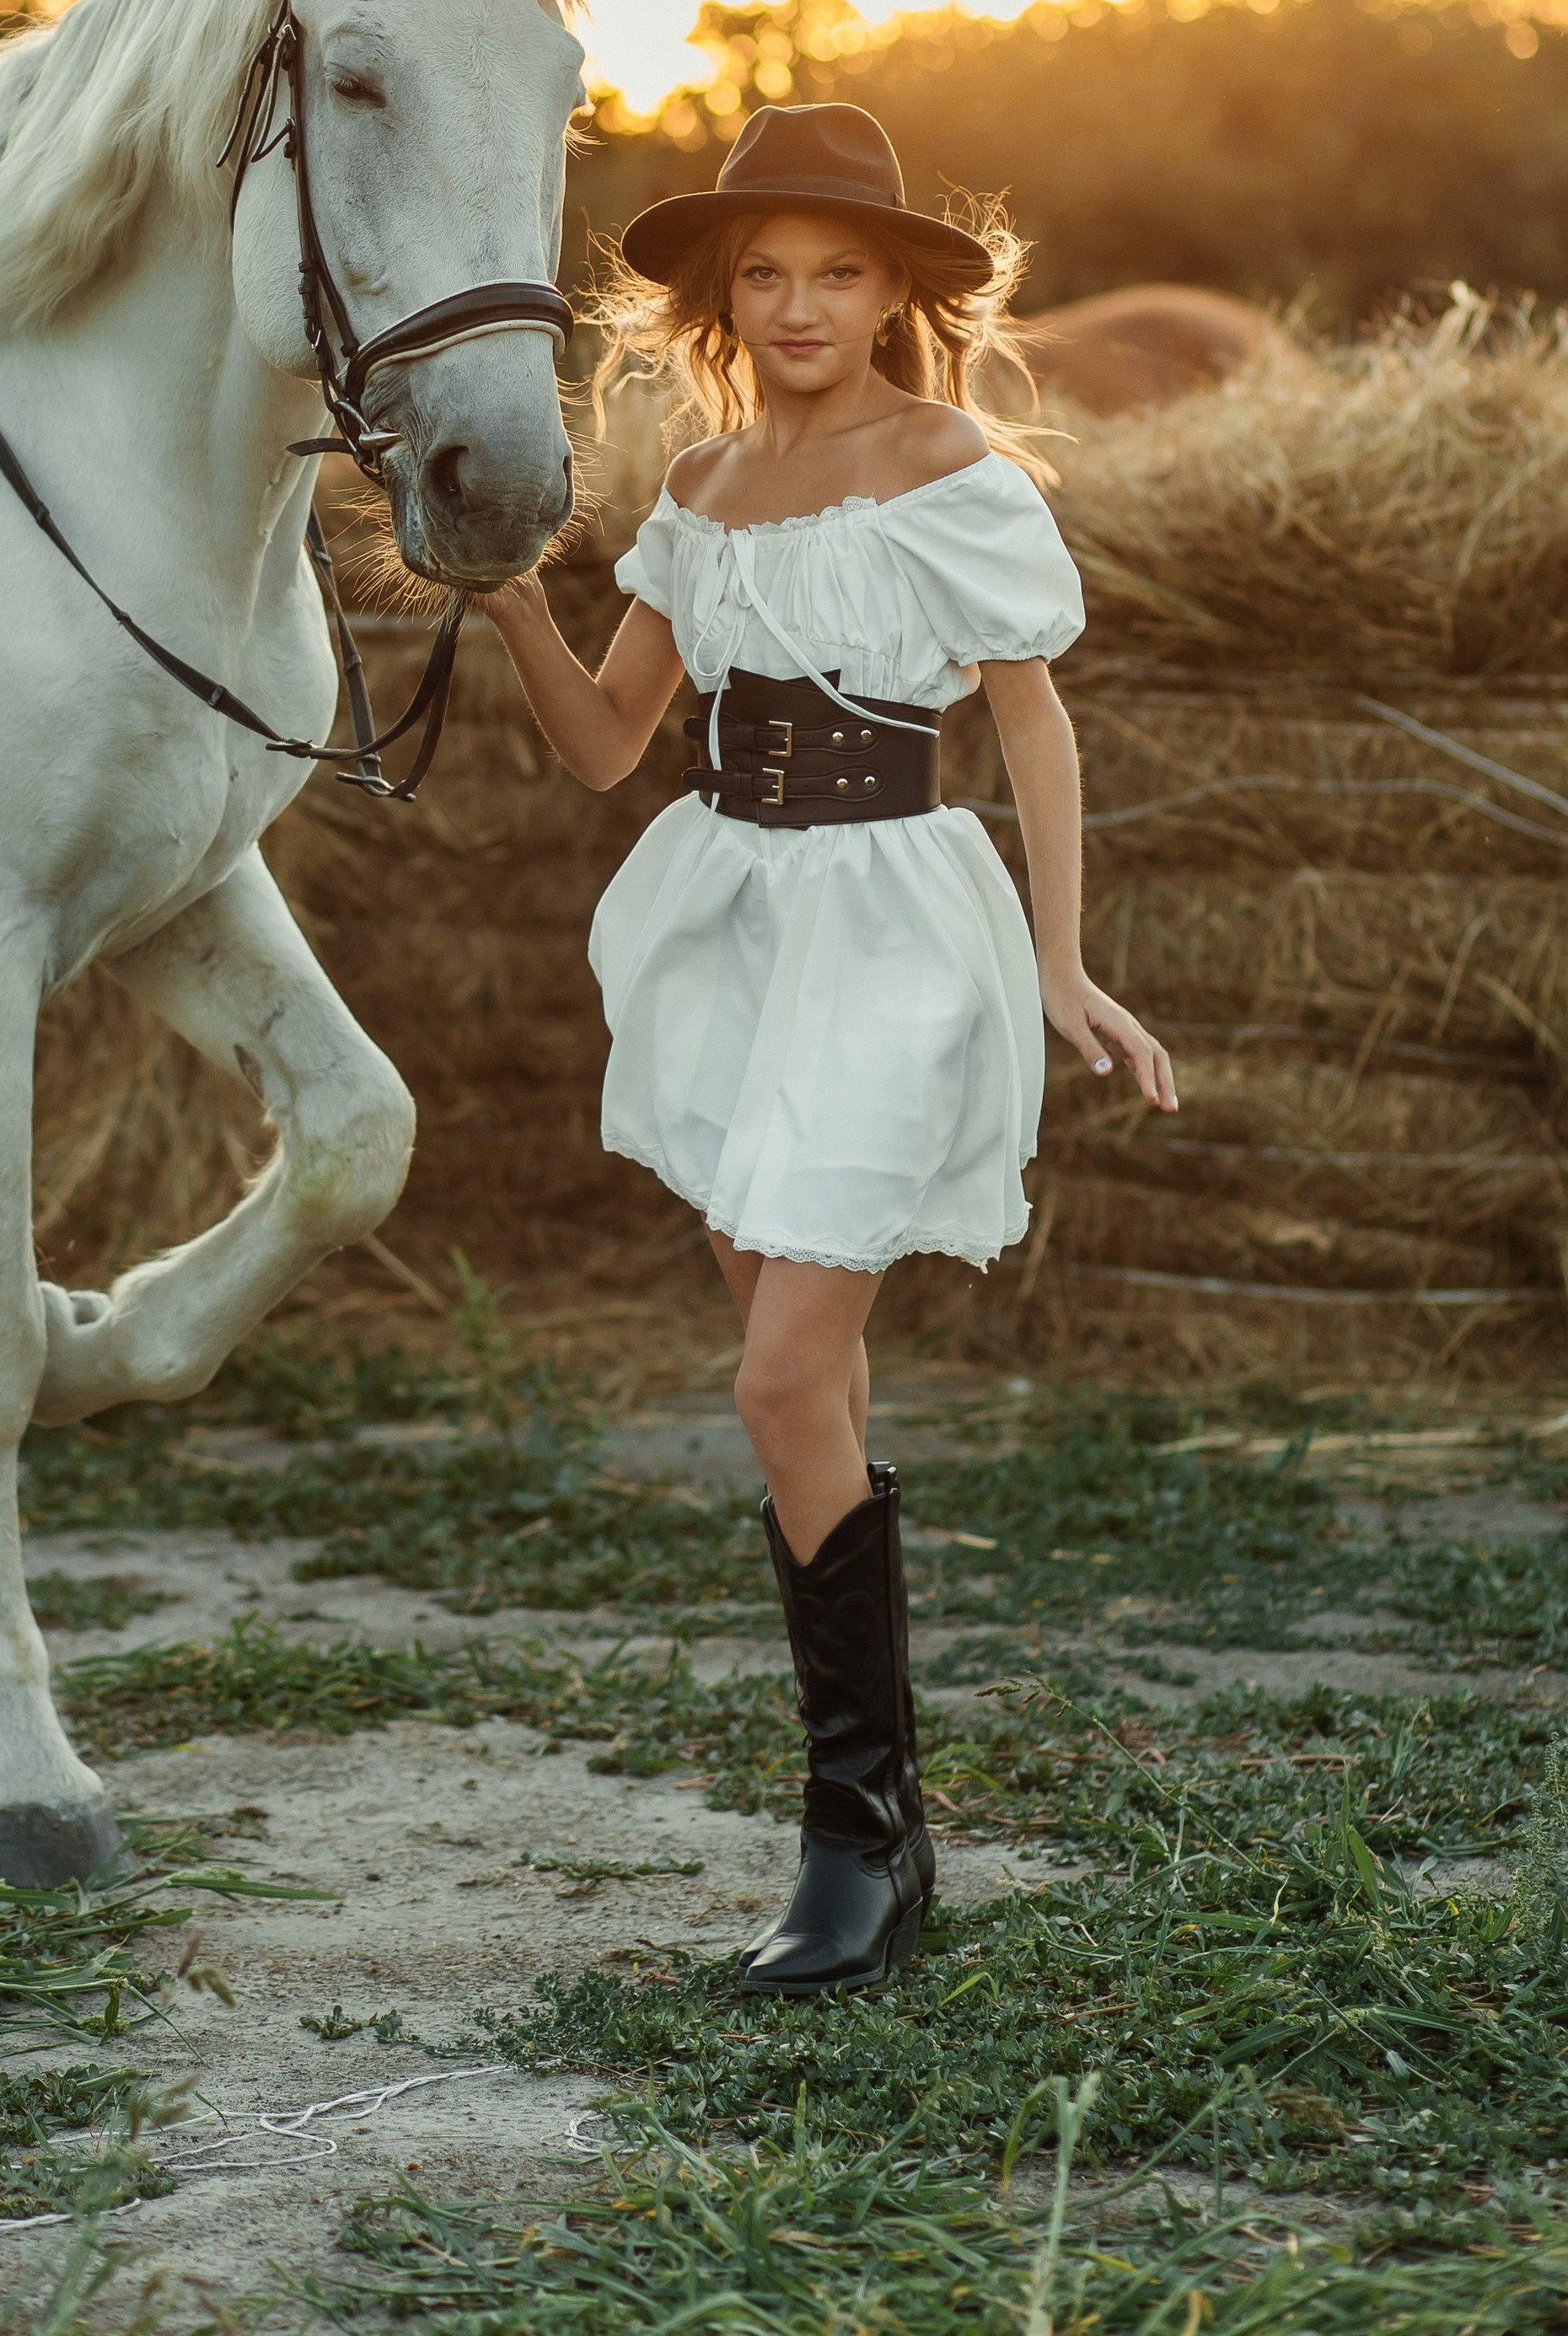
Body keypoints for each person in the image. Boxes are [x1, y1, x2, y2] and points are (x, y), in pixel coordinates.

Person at [477, 104, 1175, 1998]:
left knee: (781, 1379)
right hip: (726, 920)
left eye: (838, 272)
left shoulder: (947, 462)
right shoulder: (693, 488)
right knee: (813, 1389)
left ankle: (849, 1836)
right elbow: (610, 743)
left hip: (889, 922)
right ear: (721, 293)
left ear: (895, 292)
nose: (798, 304)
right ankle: (880, 1836)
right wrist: (506, 591)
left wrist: (1058, 959)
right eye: (764, 273)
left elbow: (1029, 724)